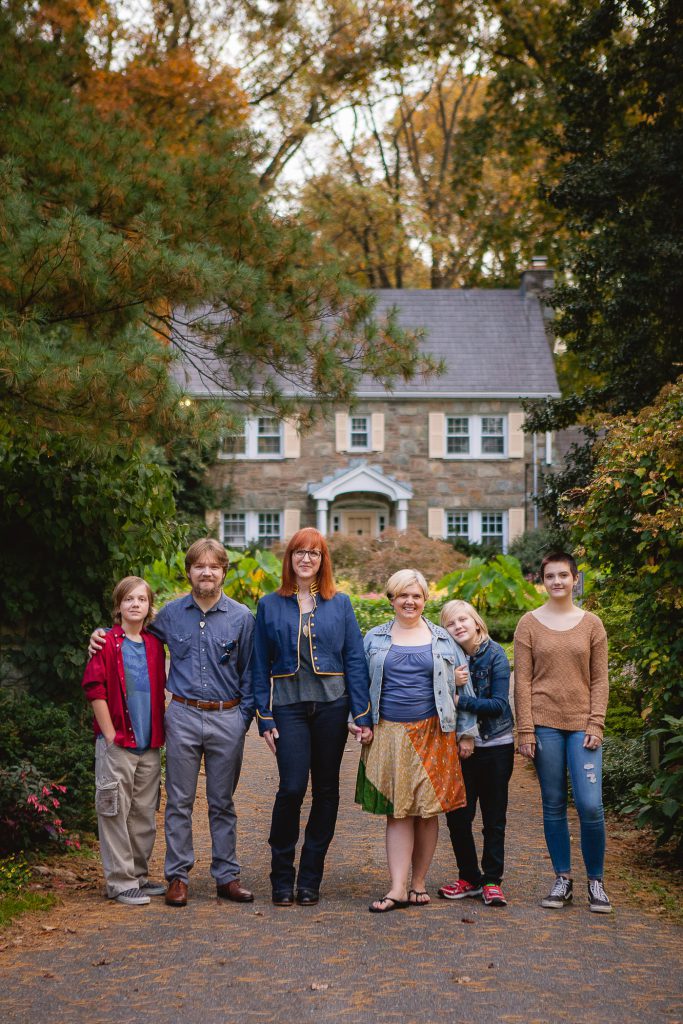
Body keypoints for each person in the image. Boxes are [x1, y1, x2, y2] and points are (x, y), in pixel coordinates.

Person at [89, 538, 255, 908]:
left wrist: (242, 718)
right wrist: (98, 636)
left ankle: (226, 876)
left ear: (224, 571)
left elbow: (252, 673)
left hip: (227, 716)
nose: (207, 572)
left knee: (222, 802)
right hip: (181, 715)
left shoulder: (243, 618)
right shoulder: (168, 615)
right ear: (189, 572)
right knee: (179, 801)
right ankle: (177, 876)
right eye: (199, 566)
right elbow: (130, 635)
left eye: (214, 566)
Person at [253, 528, 373, 907]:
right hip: (288, 707)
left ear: (323, 560)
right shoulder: (270, 605)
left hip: (332, 707)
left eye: (314, 554)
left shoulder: (341, 604)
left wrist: (362, 711)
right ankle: (281, 876)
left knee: (326, 790)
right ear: (289, 559)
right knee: (291, 788)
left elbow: (354, 657)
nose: (306, 559)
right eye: (299, 553)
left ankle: (310, 878)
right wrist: (265, 716)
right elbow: (258, 665)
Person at [355, 569, 478, 912]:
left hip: (434, 732)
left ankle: (418, 882)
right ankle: (396, 887)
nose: (410, 602)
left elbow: (463, 687)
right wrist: (359, 720)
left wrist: (466, 734)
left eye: (416, 596)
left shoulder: (443, 639)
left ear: (425, 600)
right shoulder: (374, 638)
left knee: (427, 812)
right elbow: (359, 685)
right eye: (402, 595)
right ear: (391, 599)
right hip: (390, 731)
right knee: (398, 812)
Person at [514, 551, 612, 913]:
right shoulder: (529, 624)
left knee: (590, 804)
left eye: (563, 576)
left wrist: (596, 722)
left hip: (583, 726)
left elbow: (600, 679)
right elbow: (521, 681)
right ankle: (563, 879)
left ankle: (596, 883)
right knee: (553, 803)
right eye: (550, 576)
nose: (557, 582)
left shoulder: (591, 624)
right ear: (543, 581)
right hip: (544, 725)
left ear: (575, 579)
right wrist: (525, 730)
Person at [82, 576, 167, 906]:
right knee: (114, 811)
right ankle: (119, 881)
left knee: (143, 813)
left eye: (142, 599)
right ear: (118, 606)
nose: (135, 604)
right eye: (129, 599)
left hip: (149, 744)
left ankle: (138, 875)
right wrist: (109, 734)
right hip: (118, 743)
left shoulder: (154, 645)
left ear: (149, 607)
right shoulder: (106, 642)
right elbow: (94, 688)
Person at [437, 600, 514, 907]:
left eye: (462, 620)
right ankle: (469, 876)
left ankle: (493, 880)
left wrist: (460, 699)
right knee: (458, 815)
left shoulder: (494, 654)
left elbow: (499, 705)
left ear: (476, 622)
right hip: (460, 750)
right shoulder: (445, 658)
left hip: (495, 746)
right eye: (450, 624)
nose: (458, 626)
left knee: (494, 817)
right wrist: (449, 683)